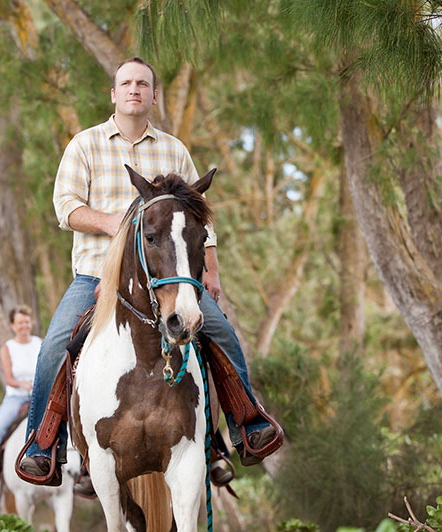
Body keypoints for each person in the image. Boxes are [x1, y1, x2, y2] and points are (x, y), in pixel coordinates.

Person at [18, 56, 278, 492]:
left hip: (169, 279)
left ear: (154, 95)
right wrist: (118, 224)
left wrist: (210, 270)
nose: (134, 89)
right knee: (54, 347)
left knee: (221, 332)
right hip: (97, 277)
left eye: (143, 84)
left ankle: (240, 427)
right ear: (114, 94)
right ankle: (47, 446)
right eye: (126, 83)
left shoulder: (174, 149)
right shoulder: (85, 144)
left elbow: (200, 219)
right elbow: (66, 208)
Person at [0, 305, 41, 477]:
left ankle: (80, 469)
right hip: (16, 398)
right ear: (12, 326)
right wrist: (23, 384)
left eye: (27, 322)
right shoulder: (8, 347)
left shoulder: (39, 343)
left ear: (31, 323)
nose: (24, 326)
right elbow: (8, 379)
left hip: (39, 397)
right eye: (20, 323)